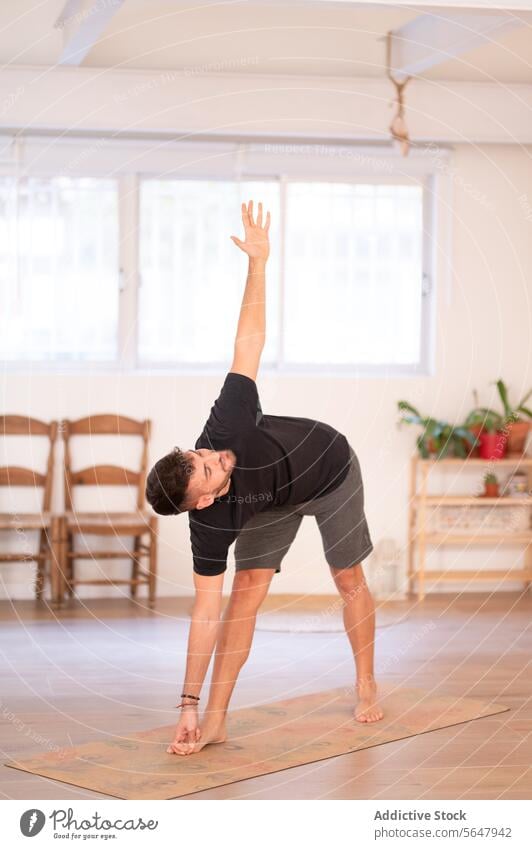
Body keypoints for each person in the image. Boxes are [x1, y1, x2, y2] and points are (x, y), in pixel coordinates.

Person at [146, 200, 383, 756]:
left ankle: (367, 681)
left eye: (203, 454)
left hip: (329, 469)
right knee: (244, 594)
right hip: (269, 502)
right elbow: (205, 616)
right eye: (208, 470)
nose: (215, 457)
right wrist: (188, 703)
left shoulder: (225, 423)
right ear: (200, 504)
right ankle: (220, 718)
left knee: (347, 577)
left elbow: (247, 342)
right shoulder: (210, 528)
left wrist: (258, 262)